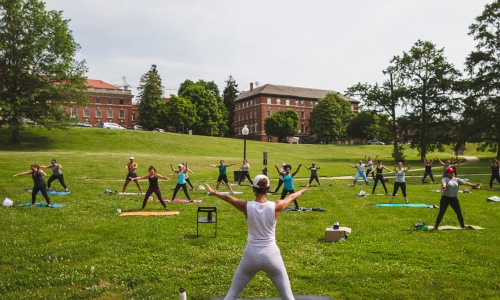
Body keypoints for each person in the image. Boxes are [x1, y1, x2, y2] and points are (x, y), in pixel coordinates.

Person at [205, 175, 309, 300]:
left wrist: (214, 192)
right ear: (268, 189)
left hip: (251, 255)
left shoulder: (246, 206)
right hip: (271, 255)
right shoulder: (276, 206)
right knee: (288, 297)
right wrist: (303, 190)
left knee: (231, 296)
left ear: (254, 189)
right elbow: (291, 197)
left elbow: (228, 198)